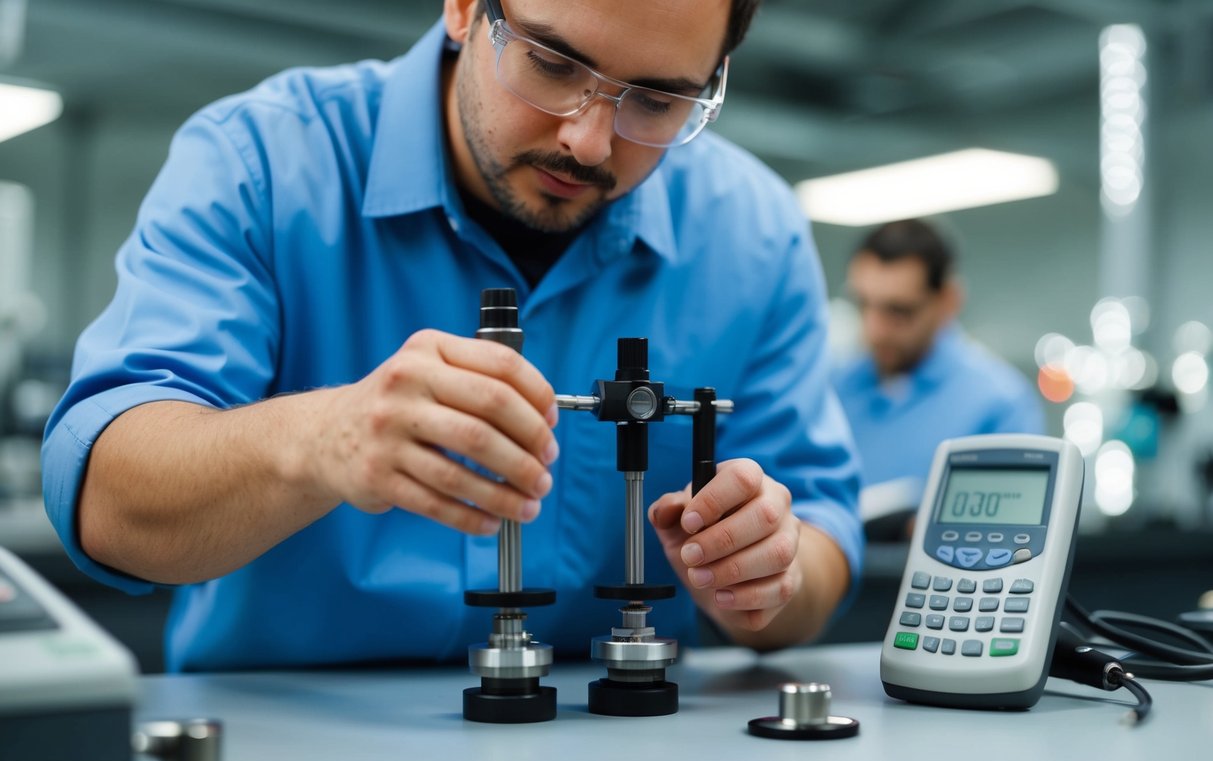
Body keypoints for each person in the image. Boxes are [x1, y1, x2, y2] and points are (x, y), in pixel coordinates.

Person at [41, 0, 862, 672]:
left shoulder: (755, 235)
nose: (587, 139)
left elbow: (818, 545)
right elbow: (108, 504)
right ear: (465, 8)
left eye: (654, 100)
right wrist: (319, 439)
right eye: (551, 63)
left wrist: (767, 573)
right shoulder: (260, 162)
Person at [833, 219, 1044, 511]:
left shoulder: (1000, 405)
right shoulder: (835, 389)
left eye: (899, 311)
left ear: (948, 300)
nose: (874, 330)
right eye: (864, 305)